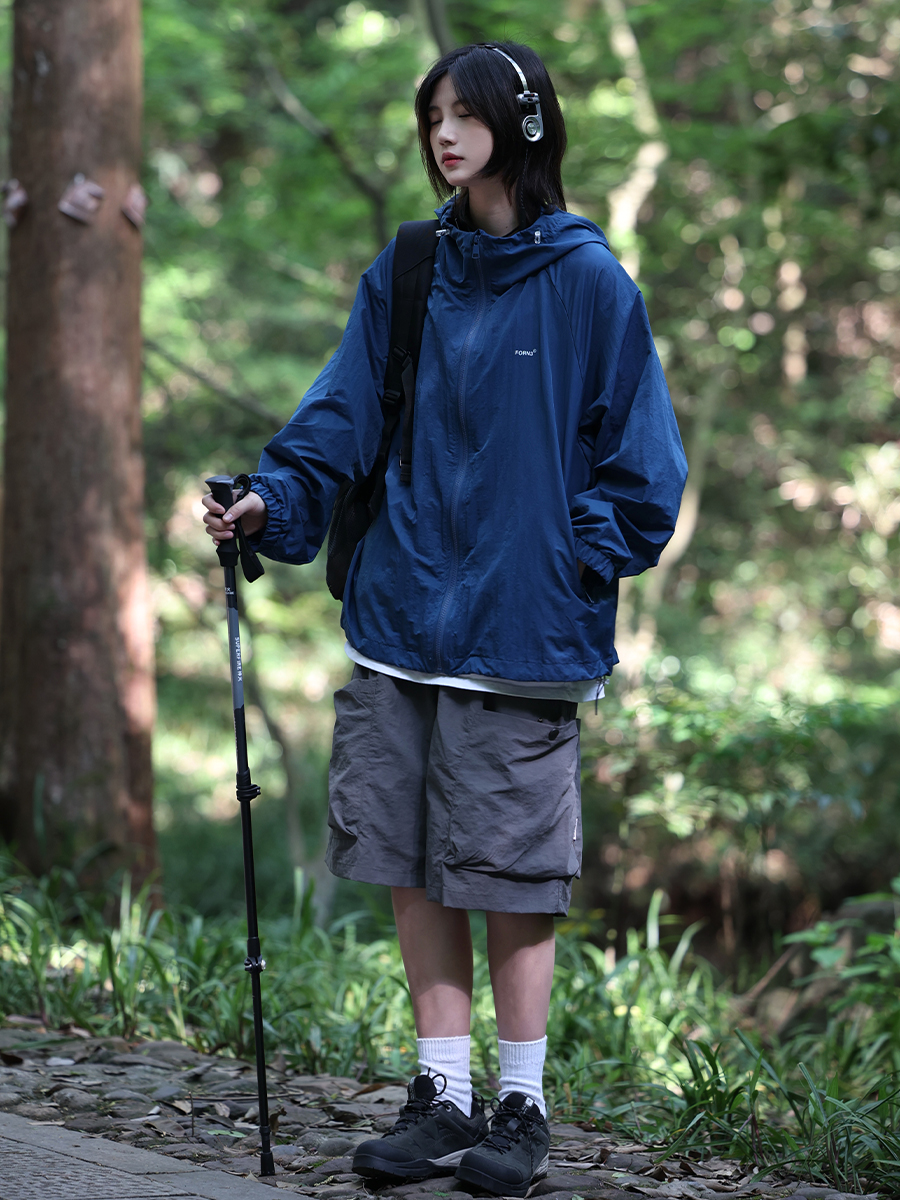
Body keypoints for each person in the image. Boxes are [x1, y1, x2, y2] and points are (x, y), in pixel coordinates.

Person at [203, 41, 687, 1197]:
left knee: (511, 876)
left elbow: (645, 470)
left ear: (522, 126)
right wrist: (275, 500)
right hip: (399, 619)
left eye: (466, 115)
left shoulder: (587, 284)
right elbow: (342, 414)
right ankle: (444, 1096)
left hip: (522, 637)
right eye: (433, 116)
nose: (445, 133)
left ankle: (520, 1106)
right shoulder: (413, 266)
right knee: (412, 864)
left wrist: (569, 560)